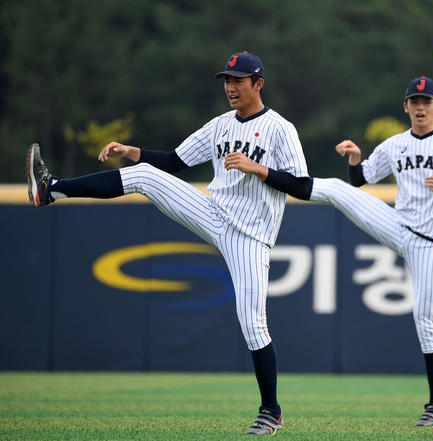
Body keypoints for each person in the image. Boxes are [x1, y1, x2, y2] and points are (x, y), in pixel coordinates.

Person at [26, 51, 310, 435]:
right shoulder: (220, 126)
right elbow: (175, 161)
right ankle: (51, 189)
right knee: (143, 173)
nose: (230, 86)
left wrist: (257, 168)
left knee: (254, 325)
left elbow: (302, 186)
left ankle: (270, 412)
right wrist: (131, 152)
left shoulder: (280, 128)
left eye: (238, 80)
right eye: (226, 80)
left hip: (251, 237)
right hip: (212, 211)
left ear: (258, 84)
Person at [240, 76, 433, 427]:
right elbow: (362, 180)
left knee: (425, 324)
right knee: (339, 190)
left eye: (427, 101)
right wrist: (356, 159)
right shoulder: (395, 145)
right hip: (397, 225)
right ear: (405, 106)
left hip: (432, 243)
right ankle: (291, 182)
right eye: (414, 101)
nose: (420, 107)